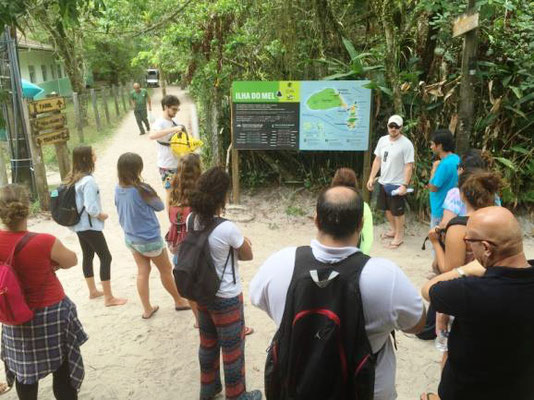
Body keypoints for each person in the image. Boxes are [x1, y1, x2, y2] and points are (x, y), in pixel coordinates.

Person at [250, 186, 426, 400]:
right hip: (364, 390)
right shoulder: (385, 276)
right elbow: (417, 324)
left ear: (315, 220)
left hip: (296, 385)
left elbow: (257, 298)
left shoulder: (281, 262)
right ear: (361, 224)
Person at [421, 207, 534, 400]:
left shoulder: (471, 291)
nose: (468, 247)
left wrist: (467, 269)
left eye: (468, 241)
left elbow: (428, 289)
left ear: (486, 248)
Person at [0, 184, 88, 399]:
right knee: (63, 370)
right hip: (53, 312)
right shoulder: (45, 241)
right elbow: (71, 261)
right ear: (27, 207)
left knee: (24, 374)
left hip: (15, 315)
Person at [189, 167, 261, 400]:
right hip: (226, 296)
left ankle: (208, 388)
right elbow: (247, 254)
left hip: (202, 293)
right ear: (222, 196)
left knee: (207, 344)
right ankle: (237, 395)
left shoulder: (192, 219)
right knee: (233, 349)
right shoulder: (227, 228)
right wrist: (244, 240)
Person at [114, 152, 191, 319]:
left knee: (142, 271)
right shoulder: (142, 189)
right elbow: (160, 206)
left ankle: (147, 308)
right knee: (165, 270)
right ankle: (178, 300)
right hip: (149, 239)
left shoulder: (118, 188)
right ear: (137, 169)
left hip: (131, 238)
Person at [66, 145, 126, 307]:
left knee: (88, 254)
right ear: (86, 158)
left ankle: (93, 291)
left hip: (78, 225)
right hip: (89, 226)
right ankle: (109, 298)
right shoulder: (88, 181)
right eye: (93, 154)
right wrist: (101, 215)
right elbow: (91, 208)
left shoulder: (73, 178)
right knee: (106, 256)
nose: (96, 157)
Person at [366, 115, 414, 249]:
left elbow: (409, 166)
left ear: (401, 128)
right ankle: (393, 230)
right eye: (391, 126)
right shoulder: (382, 140)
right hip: (383, 181)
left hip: (397, 183)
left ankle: (399, 235)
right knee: (387, 209)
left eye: (396, 126)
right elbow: (377, 160)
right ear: (387, 126)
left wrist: (404, 185)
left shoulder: (406, 144)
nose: (393, 129)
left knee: (398, 212)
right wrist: (371, 177)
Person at [439, 149, 498, 228]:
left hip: (460, 236)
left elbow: (445, 224)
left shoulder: (456, 193)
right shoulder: (491, 192)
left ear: (461, 170)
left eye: (458, 167)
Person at [148, 95, 187, 195]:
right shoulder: (159, 123)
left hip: (178, 162)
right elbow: (152, 135)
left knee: (180, 191)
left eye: (177, 109)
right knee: (170, 193)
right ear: (166, 107)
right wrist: (173, 129)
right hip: (166, 165)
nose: (175, 112)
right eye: (174, 109)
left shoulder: (175, 122)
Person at [331, 167, 374, 255]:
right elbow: (367, 236)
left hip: (331, 253)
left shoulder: (327, 203)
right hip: (356, 253)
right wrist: (363, 257)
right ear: (354, 183)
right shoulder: (363, 206)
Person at [427, 129, 460, 228]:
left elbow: (433, 187)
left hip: (440, 208)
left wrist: (434, 169)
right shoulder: (457, 159)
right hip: (453, 208)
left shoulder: (443, 165)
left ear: (440, 146)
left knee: (437, 239)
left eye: (433, 144)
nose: (431, 147)